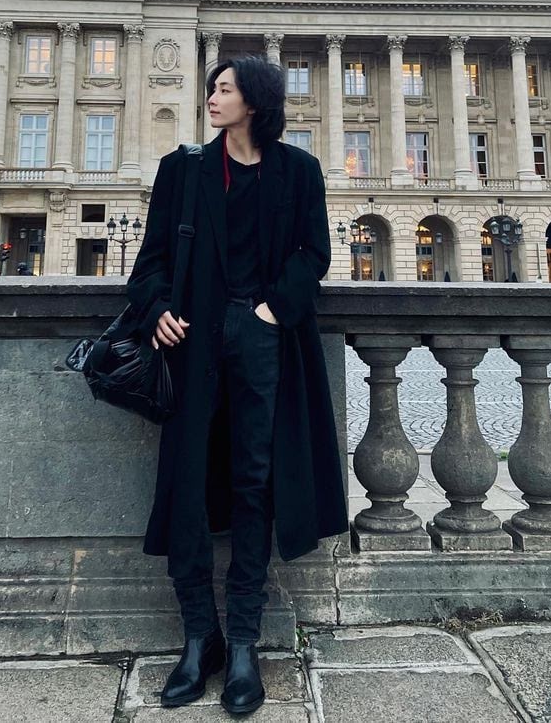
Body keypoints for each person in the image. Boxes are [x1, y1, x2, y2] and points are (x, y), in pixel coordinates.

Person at [127, 56, 348, 716]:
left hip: (262, 341)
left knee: (256, 483)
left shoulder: (298, 171)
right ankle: (201, 636)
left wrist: (272, 311)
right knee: (188, 484)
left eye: (224, 89)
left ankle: (245, 639)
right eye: (212, 88)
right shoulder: (184, 169)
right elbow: (151, 260)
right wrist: (155, 308)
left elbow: (314, 253)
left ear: (255, 100)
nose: (212, 97)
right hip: (191, 343)